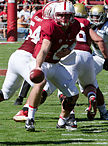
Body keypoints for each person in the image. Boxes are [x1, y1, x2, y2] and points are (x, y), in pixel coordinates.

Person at [0, 3, 57, 120]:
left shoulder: (37, 16)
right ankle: (25, 111)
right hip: (29, 57)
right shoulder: (51, 25)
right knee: (43, 86)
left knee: (5, 93)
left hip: (17, 55)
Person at [24, 1, 81, 132]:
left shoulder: (75, 25)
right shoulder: (50, 25)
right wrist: (38, 67)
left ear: (73, 16)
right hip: (42, 61)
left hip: (55, 64)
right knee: (40, 83)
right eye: (61, 15)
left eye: (67, 16)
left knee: (73, 95)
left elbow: (74, 41)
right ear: (55, 15)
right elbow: (44, 49)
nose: (64, 19)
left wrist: (70, 50)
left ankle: (62, 121)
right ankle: (30, 119)